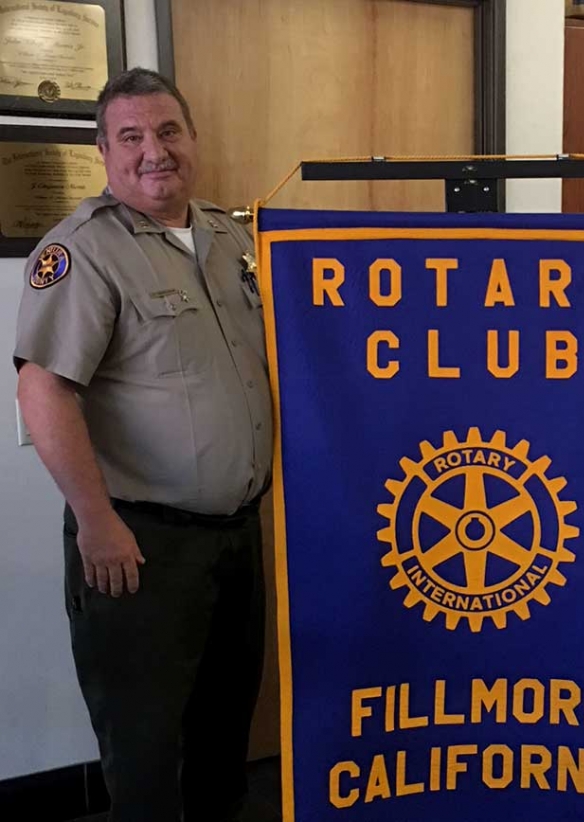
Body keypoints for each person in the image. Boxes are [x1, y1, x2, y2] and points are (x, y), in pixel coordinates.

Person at [14, 68, 272, 822]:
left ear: (192, 139)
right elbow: (43, 391)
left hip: (236, 537)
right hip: (138, 545)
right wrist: (97, 523)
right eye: (130, 137)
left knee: (224, 739)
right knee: (147, 747)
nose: (153, 151)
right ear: (103, 152)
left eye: (167, 131)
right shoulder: (81, 253)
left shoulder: (233, 238)